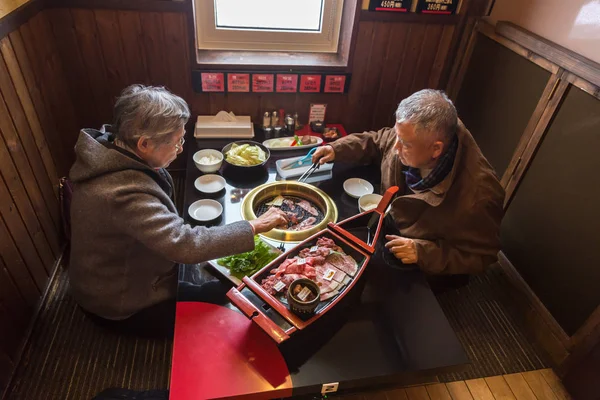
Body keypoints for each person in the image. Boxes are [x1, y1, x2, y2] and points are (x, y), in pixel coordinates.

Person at [69, 85, 287, 337]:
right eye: (177, 141)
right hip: (120, 302)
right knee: (228, 308)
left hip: (128, 272)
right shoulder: (121, 193)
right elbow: (183, 244)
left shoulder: (115, 150)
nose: (181, 148)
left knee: (220, 285)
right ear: (144, 143)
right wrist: (254, 226)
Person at [313, 89, 504, 276]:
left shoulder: (480, 194)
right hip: (389, 226)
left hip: (424, 266)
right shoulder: (410, 135)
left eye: (405, 144)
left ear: (436, 149)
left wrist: (423, 253)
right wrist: (336, 149)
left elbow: (482, 256)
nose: (396, 147)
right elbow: (377, 141)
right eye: (397, 136)